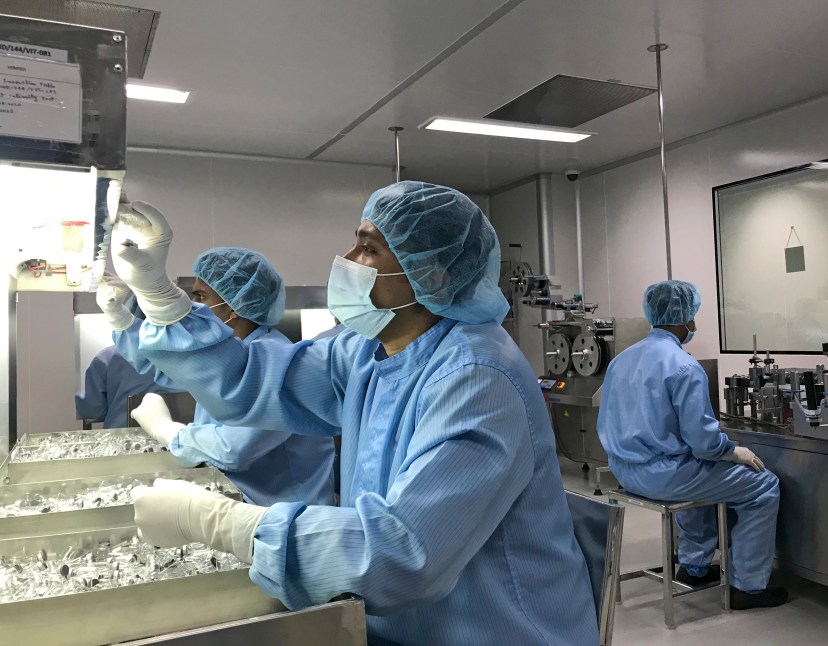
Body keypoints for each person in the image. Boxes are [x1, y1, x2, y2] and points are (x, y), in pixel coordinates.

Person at [109, 185, 597, 645]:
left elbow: (405, 554)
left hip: (496, 631)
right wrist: (159, 297)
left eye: (369, 248)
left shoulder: (477, 378)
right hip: (398, 622)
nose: (347, 261)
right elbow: (254, 380)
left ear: (432, 275)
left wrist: (220, 524)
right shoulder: (367, 352)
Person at [597, 279, 787, 609]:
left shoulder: (621, 361)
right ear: (684, 317)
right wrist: (731, 450)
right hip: (665, 478)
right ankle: (748, 586)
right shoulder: (685, 366)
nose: (694, 323)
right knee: (763, 486)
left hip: (625, 470)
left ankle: (695, 567)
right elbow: (703, 442)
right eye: (693, 316)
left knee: (696, 473)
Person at [99, 248, 336, 507]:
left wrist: (166, 430)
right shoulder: (231, 352)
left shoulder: (275, 360)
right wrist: (122, 319)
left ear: (235, 306)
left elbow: (232, 450)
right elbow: (166, 367)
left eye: (201, 297)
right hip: (248, 503)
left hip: (288, 512)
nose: (194, 306)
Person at [74, 344, 173, 429]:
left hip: (123, 441)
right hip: (179, 439)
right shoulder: (183, 355)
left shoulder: (107, 357)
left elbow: (92, 411)